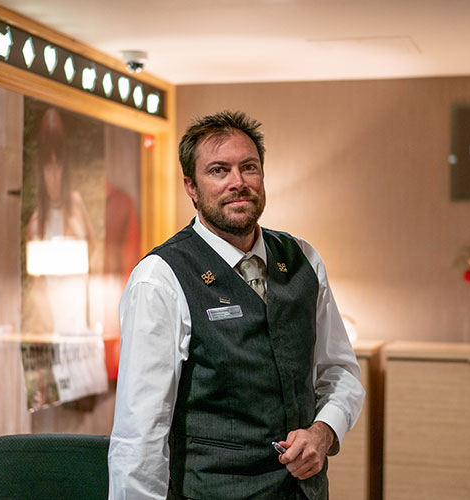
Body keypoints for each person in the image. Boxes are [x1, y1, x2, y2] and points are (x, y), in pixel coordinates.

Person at [108, 110, 365, 499]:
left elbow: (340, 371)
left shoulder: (304, 260)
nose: (238, 183)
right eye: (218, 170)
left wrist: (323, 431)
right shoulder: (160, 279)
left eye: (249, 167)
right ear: (191, 187)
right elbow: (140, 434)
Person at [26, 107, 97, 334]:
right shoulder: (37, 222)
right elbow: (36, 283)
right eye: (48, 167)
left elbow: (93, 251)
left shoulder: (76, 205)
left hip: (78, 306)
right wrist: (43, 322)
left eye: (58, 167)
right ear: (42, 171)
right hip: (54, 312)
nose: (54, 175)